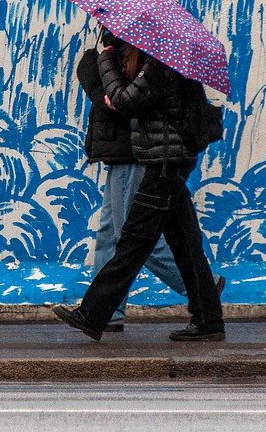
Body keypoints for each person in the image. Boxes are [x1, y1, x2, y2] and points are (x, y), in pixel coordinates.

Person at [54, 33, 225, 342]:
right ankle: (208, 318)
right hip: (167, 161)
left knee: (133, 241)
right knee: (185, 243)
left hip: (163, 163)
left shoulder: (159, 64)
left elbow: (124, 100)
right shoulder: (162, 61)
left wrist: (102, 60)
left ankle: (93, 314)